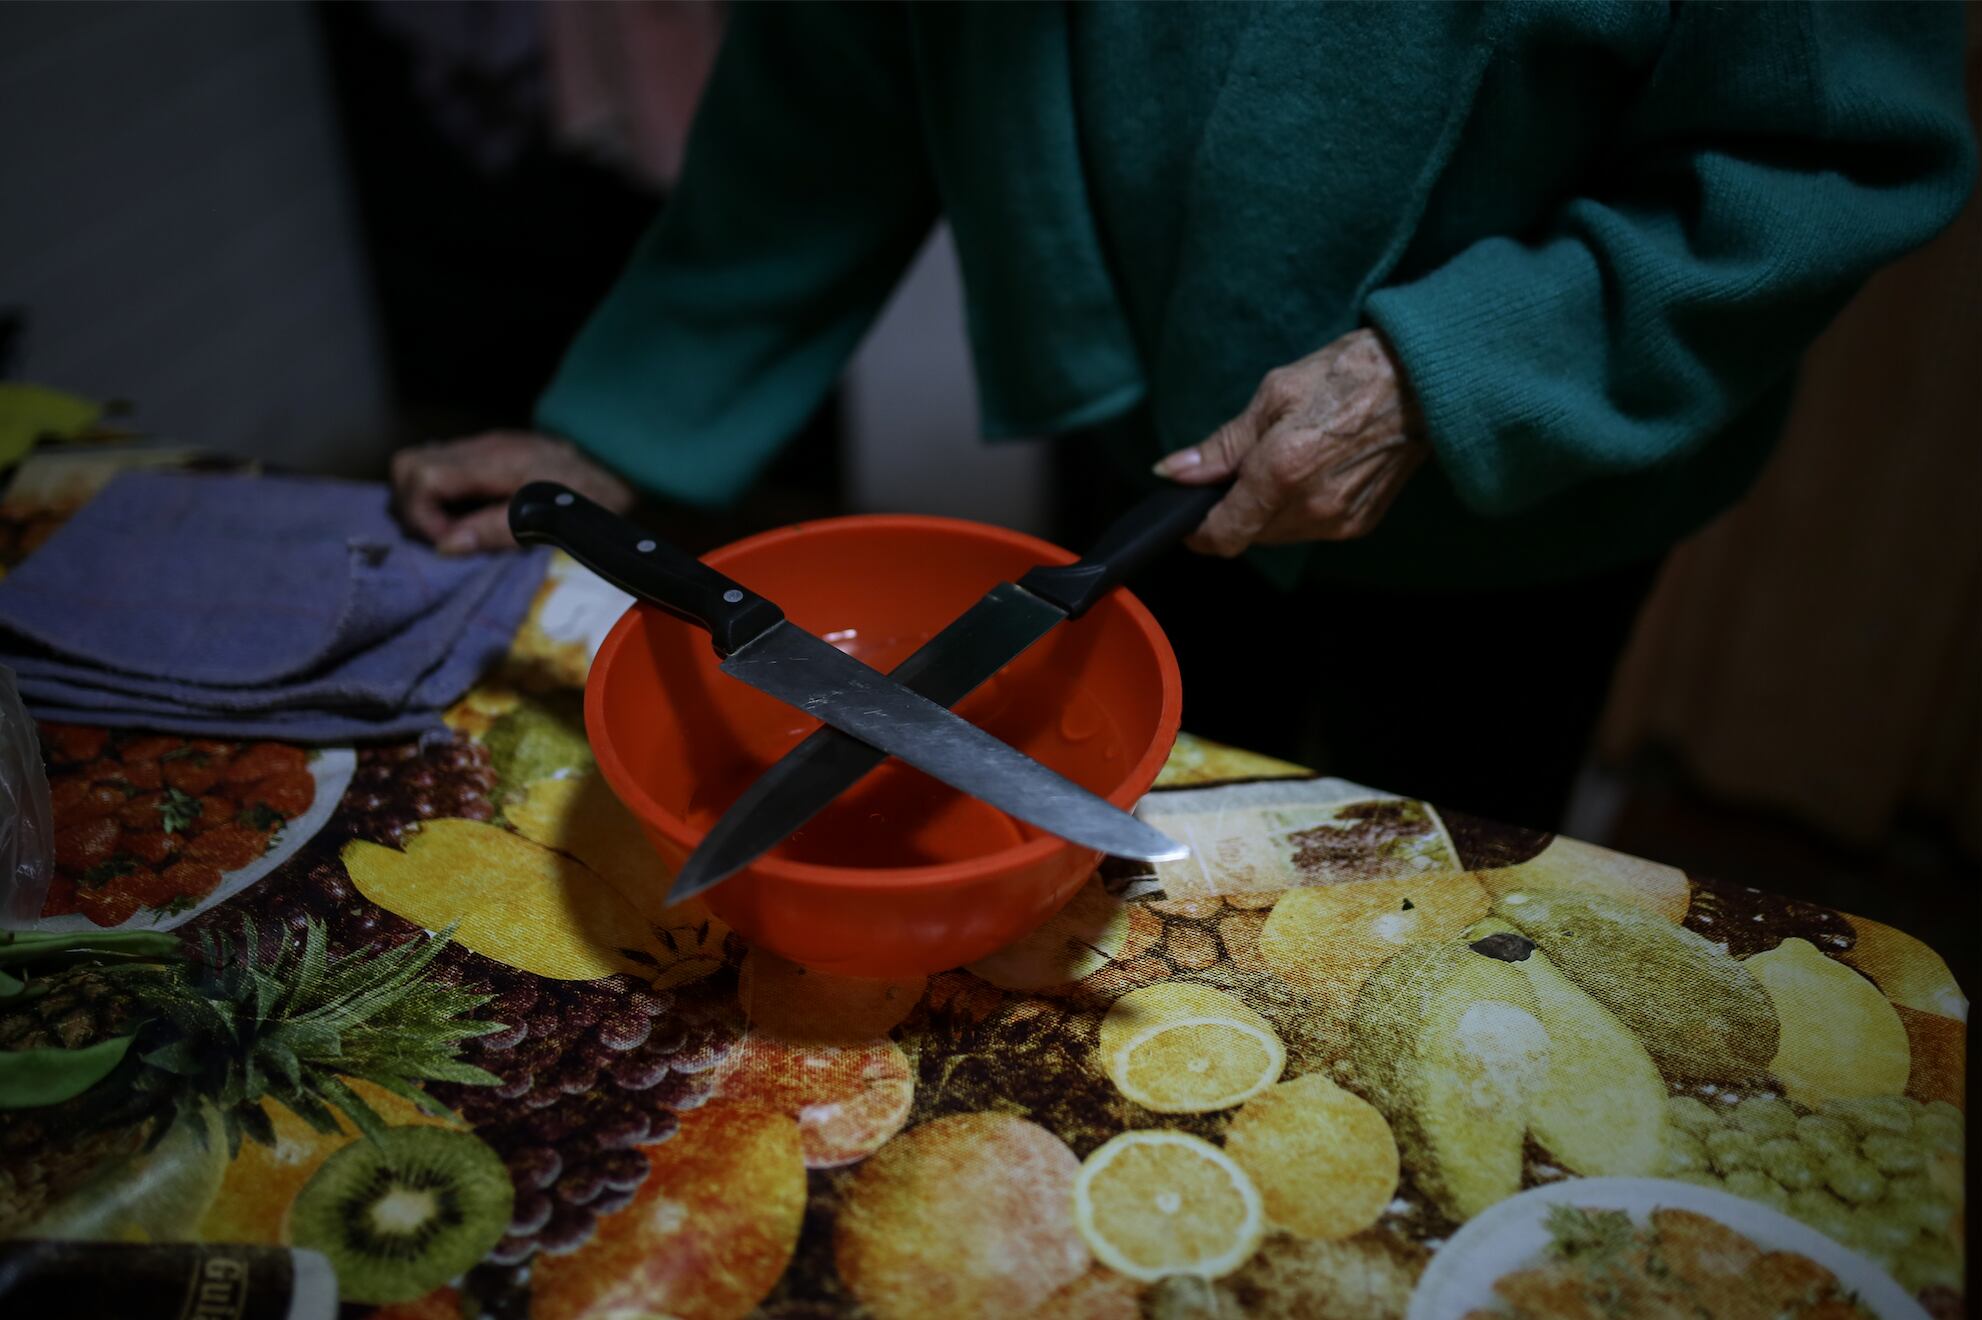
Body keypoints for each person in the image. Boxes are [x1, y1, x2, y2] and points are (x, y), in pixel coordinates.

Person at [392, 3, 1974, 829]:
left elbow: (1823, 159)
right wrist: (630, 432)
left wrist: (1458, 368)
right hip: (1139, 435)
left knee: (1436, 872)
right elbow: (827, 91)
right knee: (1149, 829)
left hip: (1520, 494)